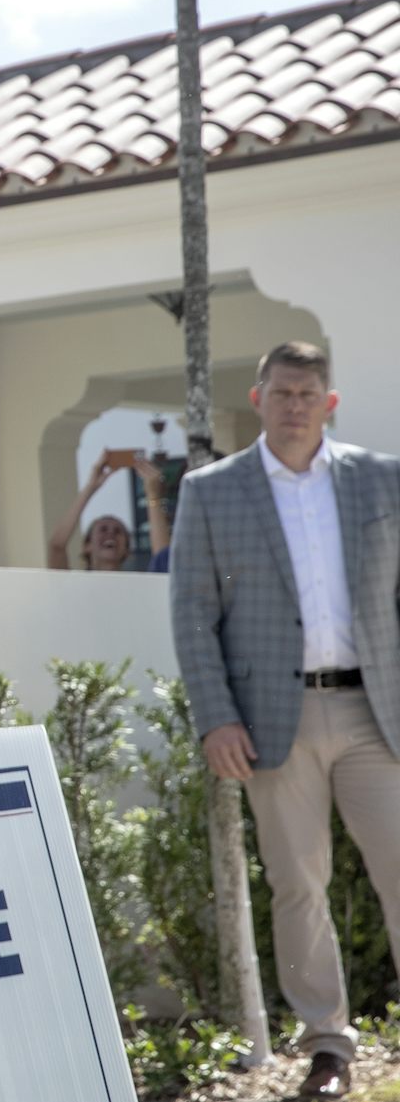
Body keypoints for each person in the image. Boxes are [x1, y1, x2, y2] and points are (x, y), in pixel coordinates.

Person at [171, 341, 400, 1100]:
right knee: (298, 882)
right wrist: (215, 718)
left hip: (377, 710)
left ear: (329, 402)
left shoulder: (383, 479)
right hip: (275, 716)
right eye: (282, 391)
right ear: (258, 396)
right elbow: (193, 614)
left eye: (309, 393)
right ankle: (328, 1045)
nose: (295, 404)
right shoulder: (211, 491)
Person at [47, 449, 173, 570]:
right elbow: (57, 546)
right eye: (103, 529)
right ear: (87, 546)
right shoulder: (73, 583)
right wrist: (91, 486)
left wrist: (153, 495)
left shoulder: (137, 584)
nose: (111, 534)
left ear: (127, 551)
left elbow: (163, 560)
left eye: (118, 531)